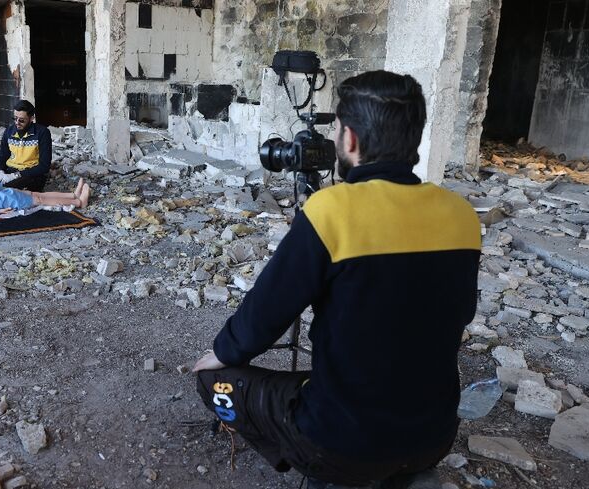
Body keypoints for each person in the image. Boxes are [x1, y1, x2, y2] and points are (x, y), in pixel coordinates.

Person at [192, 71, 481, 488]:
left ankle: (323, 471)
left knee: (212, 381)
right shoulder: (462, 216)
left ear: (349, 140)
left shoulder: (332, 211)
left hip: (339, 443)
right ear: (415, 136)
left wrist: (221, 352)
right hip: (434, 437)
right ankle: (402, 469)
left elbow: (266, 313)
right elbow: (461, 312)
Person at [0, 100, 52, 191]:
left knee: (4, 190)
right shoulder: (9, 132)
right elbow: (3, 156)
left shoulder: (42, 133)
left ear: (31, 118)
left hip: (31, 174)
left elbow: (44, 166)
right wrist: (0, 171)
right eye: (15, 118)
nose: (17, 122)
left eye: (21, 120)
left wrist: (17, 175)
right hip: (10, 171)